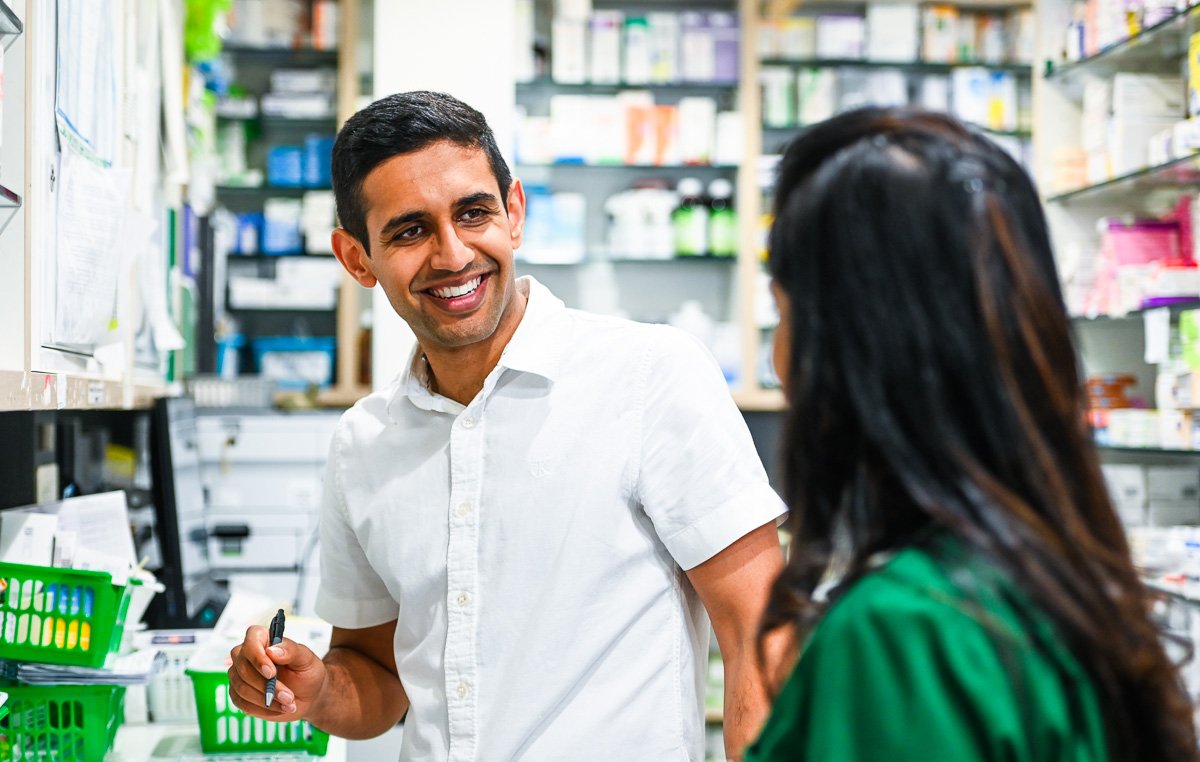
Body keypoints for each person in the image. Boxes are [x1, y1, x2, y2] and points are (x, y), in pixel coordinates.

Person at [226, 90, 786, 761]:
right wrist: (316, 691)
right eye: (409, 231)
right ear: (355, 259)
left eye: (473, 213)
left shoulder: (650, 376)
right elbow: (376, 679)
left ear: (514, 212)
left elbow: (760, 637)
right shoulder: (363, 444)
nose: (453, 254)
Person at [746, 108, 1200, 761]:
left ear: (860, 350)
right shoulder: (1065, 585)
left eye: (785, 315)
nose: (779, 361)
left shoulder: (905, 632)